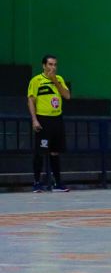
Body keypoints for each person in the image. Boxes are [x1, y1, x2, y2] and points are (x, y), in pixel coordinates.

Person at [27, 54, 71, 192]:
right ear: (44, 65)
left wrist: (54, 81)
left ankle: (57, 183)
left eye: (55, 65)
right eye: (50, 64)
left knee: (55, 152)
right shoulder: (36, 80)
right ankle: (37, 183)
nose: (53, 67)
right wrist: (34, 119)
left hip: (56, 119)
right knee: (40, 152)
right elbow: (31, 100)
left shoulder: (59, 79)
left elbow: (67, 95)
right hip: (43, 119)